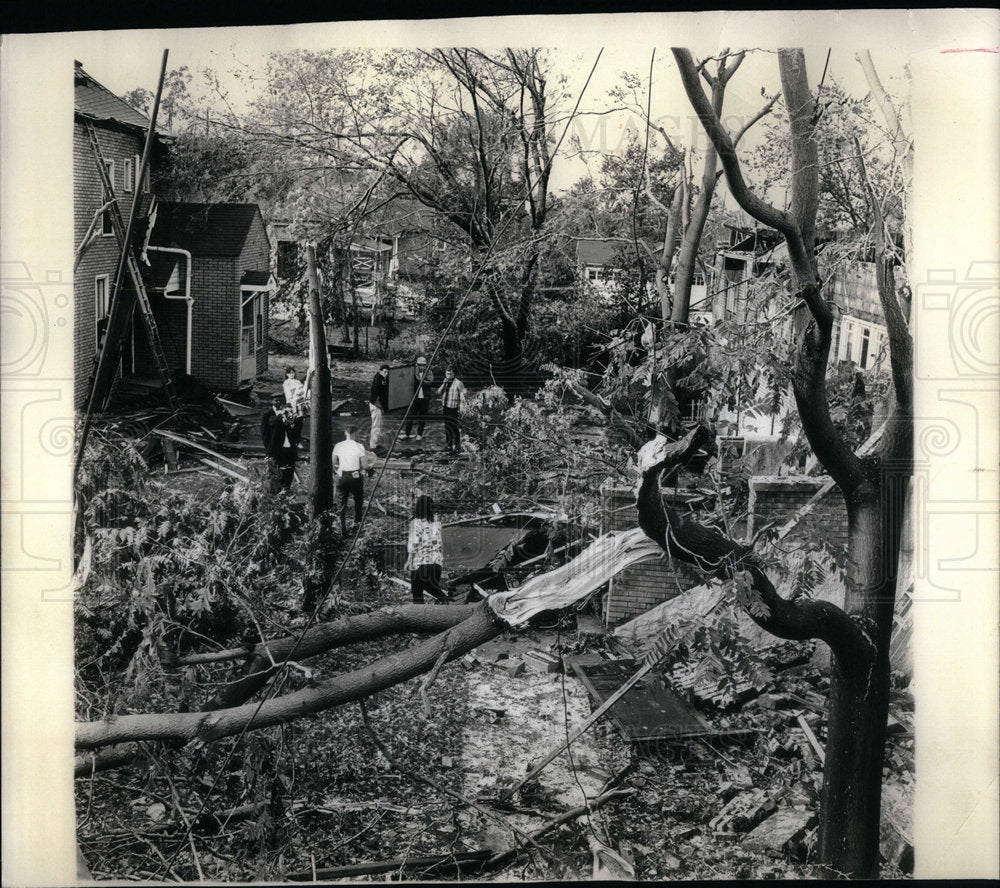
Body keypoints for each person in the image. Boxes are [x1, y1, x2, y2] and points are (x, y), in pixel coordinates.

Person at [405, 494, 448, 603]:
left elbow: (414, 543)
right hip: (436, 563)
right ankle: (445, 604)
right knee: (432, 588)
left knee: (417, 593)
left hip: (421, 562)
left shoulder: (416, 523)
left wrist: (409, 560)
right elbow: (440, 544)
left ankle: (421, 617)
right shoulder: (436, 523)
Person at [332, 424, 370, 534]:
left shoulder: (338, 446)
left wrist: (336, 472)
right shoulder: (359, 446)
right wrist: (368, 468)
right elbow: (365, 465)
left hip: (342, 477)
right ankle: (356, 524)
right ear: (355, 433)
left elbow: (333, 463)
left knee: (341, 503)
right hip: (355, 477)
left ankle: (342, 527)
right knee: (358, 501)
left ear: (345, 433)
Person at [261, 393, 303, 492]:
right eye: (276, 400)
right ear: (272, 401)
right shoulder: (268, 414)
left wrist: (298, 420)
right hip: (276, 447)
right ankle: (276, 489)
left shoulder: (288, 413)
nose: (278, 402)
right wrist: (268, 449)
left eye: (280, 400)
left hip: (289, 445)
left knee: (290, 468)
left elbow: (295, 430)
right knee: (277, 468)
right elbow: (265, 434)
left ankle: (286, 487)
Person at [400, 355, 433, 441]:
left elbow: (430, 382)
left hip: (425, 398)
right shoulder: (414, 372)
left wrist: (421, 381)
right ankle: (407, 433)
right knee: (410, 416)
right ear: (417, 365)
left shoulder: (429, 372)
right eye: (420, 365)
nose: (422, 366)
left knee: (422, 417)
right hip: (415, 398)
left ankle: (419, 434)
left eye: (423, 365)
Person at [437, 366, 467, 454]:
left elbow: (462, 394)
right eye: (447, 373)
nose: (448, 375)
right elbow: (439, 392)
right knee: (447, 426)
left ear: (454, 374)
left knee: (454, 426)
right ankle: (448, 445)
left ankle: (457, 446)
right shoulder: (445, 381)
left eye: (450, 374)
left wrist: (462, 405)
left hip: (453, 408)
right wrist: (443, 384)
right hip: (445, 406)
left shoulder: (458, 383)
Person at [368, 363, 390, 452]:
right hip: (376, 405)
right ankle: (373, 447)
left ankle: (375, 444)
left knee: (378, 425)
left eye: (387, 372)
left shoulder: (381, 378)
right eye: (385, 372)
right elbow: (376, 393)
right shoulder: (378, 380)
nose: (386, 374)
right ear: (380, 371)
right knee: (376, 426)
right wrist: (380, 407)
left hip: (377, 405)